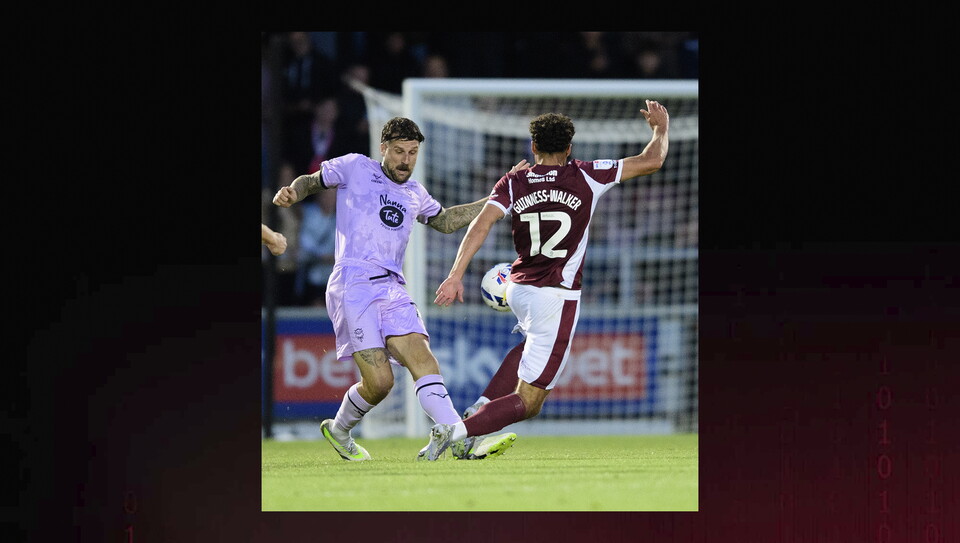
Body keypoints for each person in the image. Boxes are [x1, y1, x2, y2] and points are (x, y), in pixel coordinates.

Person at [423, 101, 670, 460]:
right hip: (556, 296)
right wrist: (660, 130)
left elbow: (481, 224)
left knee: (526, 348)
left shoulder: (513, 180)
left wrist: (455, 275)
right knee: (531, 401)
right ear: (569, 148)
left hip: (519, 289)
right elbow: (652, 160)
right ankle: (455, 433)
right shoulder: (587, 174)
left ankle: (478, 408)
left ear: (533, 147)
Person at [272, 116, 522, 461]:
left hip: (392, 287)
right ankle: (340, 428)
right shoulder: (355, 166)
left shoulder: (415, 193)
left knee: (423, 357)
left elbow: (446, 221)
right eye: (400, 152)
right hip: (353, 284)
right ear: (383, 149)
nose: (406, 160)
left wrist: (497, 197)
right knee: (380, 383)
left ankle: (462, 438)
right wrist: (293, 192)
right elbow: (311, 181)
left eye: (413, 153)